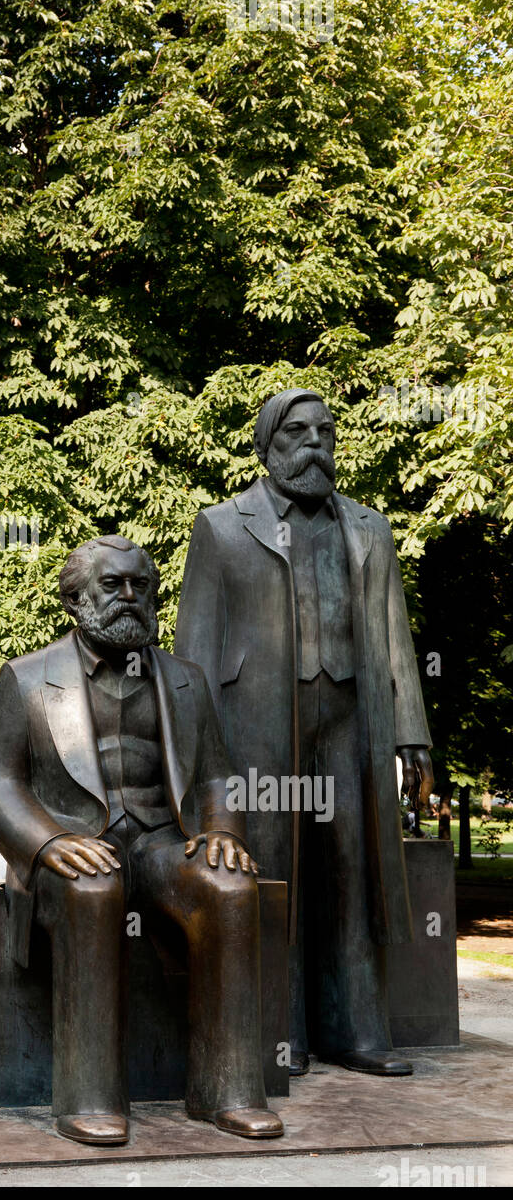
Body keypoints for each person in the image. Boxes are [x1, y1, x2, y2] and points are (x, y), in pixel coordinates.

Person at [0, 535, 283, 1147]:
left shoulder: (186, 681)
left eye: (140, 586)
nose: (128, 596)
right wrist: (45, 844)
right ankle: (87, 1097)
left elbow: (220, 776)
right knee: (91, 887)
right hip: (77, 846)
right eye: (112, 585)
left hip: (165, 844)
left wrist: (222, 831)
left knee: (229, 887)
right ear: (76, 597)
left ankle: (229, 1091)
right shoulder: (27, 678)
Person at [175, 389, 433, 1078]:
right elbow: (194, 647)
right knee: (269, 871)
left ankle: (357, 1030)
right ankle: (274, 1033)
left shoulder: (369, 529)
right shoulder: (222, 527)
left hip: (353, 722)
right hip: (255, 725)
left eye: (326, 430)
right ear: (266, 446)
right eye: (296, 431)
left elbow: (395, 637)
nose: (314, 442)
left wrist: (412, 733)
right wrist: (194, 759)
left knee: (352, 873)